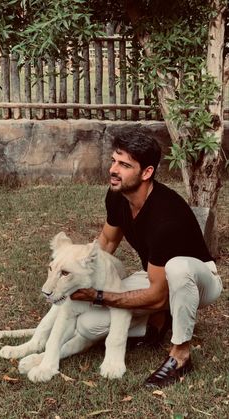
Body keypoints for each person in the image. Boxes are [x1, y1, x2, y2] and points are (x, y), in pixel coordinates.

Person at [71, 129, 222, 388]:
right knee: (88, 326)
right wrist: (78, 272)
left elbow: (157, 296)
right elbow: (107, 241)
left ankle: (180, 354)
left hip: (198, 279)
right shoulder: (117, 195)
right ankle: (157, 323)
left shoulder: (166, 217)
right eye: (114, 161)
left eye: (125, 165)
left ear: (147, 173)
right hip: (155, 275)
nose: (114, 170)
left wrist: (97, 296)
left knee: (177, 268)